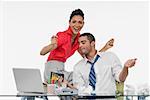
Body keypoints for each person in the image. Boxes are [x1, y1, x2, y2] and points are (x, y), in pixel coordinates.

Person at [40, 9, 114, 87]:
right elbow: (42, 52)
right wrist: (53, 45)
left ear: (83, 24)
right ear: (69, 23)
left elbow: (90, 57)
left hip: (61, 70)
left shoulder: (79, 39)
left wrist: (105, 48)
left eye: (80, 22)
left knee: (81, 77)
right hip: (52, 71)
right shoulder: (62, 35)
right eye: (74, 22)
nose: (77, 25)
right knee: (69, 88)